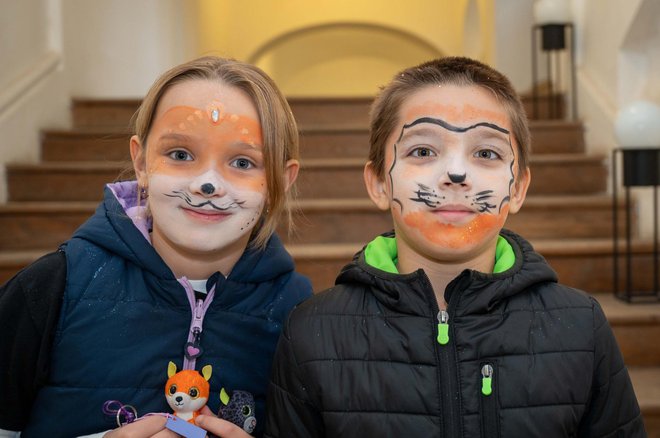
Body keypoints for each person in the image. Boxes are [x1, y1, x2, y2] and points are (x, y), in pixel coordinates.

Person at [264, 57, 646, 437]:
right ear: (379, 183)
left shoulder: (581, 327)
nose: (455, 174)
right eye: (423, 151)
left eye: (486, 153)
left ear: (517, 188)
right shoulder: (311, 333)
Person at [0, 56, 312, 438]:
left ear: (282, 180)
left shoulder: (300, 315)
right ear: (141, 161)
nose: (207, 183)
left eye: (243, 161)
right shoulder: (51, 289)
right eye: (180, 155)